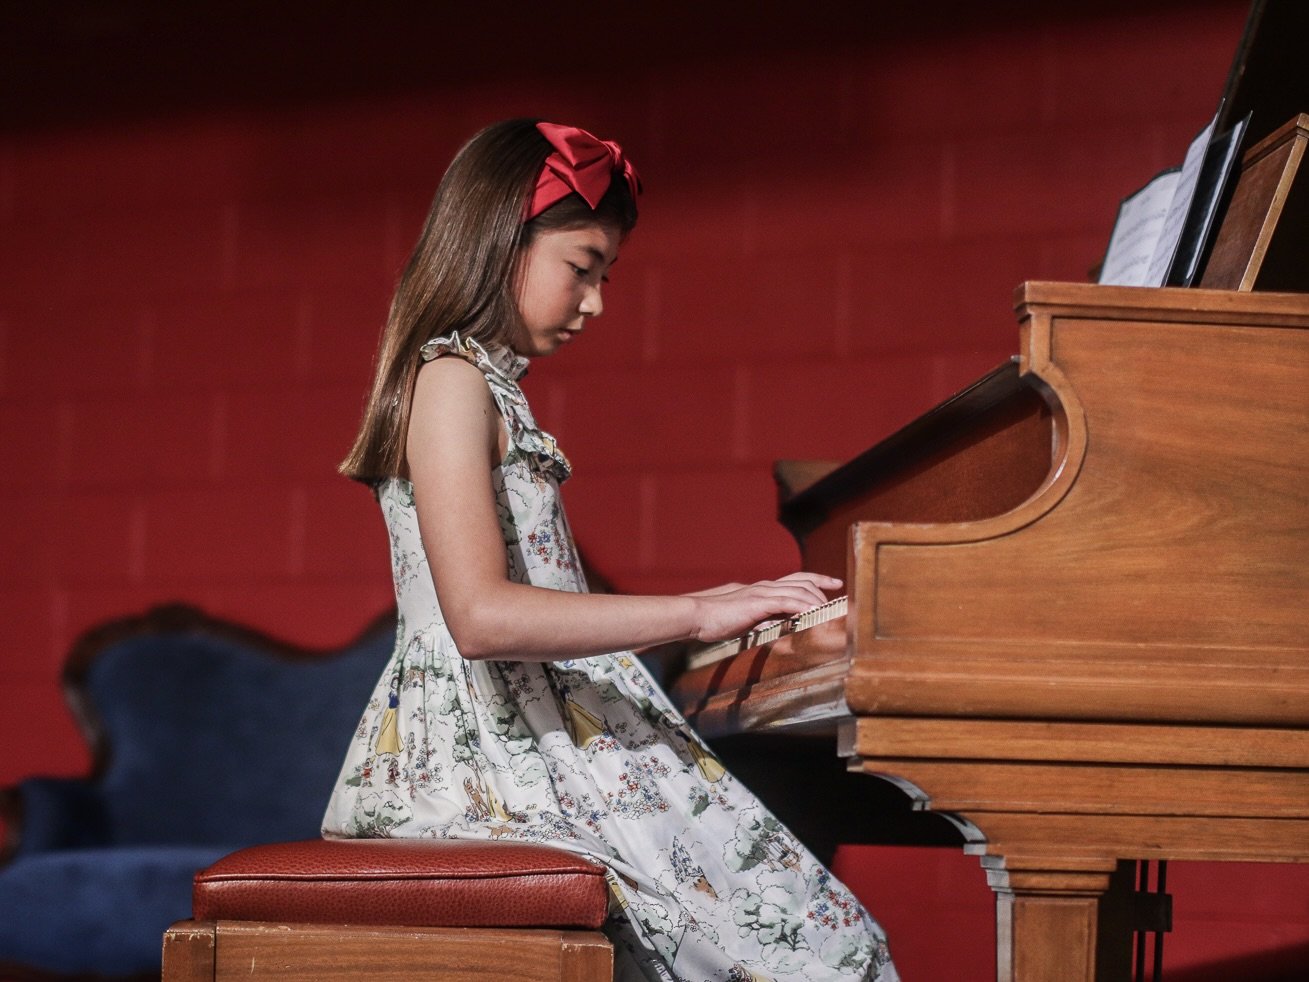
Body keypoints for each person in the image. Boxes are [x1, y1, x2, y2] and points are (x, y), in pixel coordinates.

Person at [322, 118, 898, 982]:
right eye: (581, 268)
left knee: (806, 923)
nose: (595, 302)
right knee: (819, 948)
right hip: (483, 758)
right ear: (497, 242)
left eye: (604, 274)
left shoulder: (484, 386)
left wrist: (719, 603)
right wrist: (703, 610)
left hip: (539, 727)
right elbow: (479, 617)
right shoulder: (448, 381)